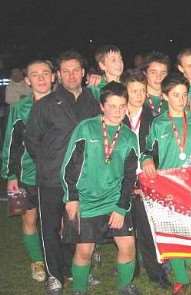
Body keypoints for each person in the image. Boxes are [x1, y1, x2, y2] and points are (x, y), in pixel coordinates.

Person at [25, 50, 100, 295]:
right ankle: (54, 275)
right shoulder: (45, 105)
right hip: (52, 178)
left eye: (76, 70)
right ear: (58, 74)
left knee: (77, 227)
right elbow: (32, 141)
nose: (71, 75)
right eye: (65, 70)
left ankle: (75, 270)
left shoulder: (93, 101)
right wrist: (49, 163)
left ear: (84, 73)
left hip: (83, 179)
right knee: (50, 228)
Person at [61, 82, 139, 295]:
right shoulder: (86, 128)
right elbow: (69, 165)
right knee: (85, 250)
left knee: (127, 246)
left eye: (122, 106)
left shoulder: (130, 137)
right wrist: (71, 197)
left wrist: (121, 207)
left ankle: (125, 286)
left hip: (114, 200)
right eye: (112, 106)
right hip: (86, 201)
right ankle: (79, 289)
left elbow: (130, 176)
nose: (117, 111)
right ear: (102, 106)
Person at [141, 74, 191, 295]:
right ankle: (181, 278)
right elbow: (147, 151)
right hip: (169, 188)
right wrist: (146, 160)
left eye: (184, 95)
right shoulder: (158, 123)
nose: (181, 99)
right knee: (175, 234)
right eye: (175, 95)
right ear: (165, 97)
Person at [1, 59, 55, 283]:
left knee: (59, 222)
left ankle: (58, 261)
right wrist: (10, 175)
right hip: (25, 176)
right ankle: (37, 261)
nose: (41, 78)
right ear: (27, 80)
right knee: (28, 218)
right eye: (35, 74)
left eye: (45, 73)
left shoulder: (65, 103)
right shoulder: (19, 108)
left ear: (54, 76)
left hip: (55, 176)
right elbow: (10, 143)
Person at [121, 70, 170, 289]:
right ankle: (129, 271)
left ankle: (156, 273)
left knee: (148, 229)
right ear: (125, 92)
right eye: (134, 91)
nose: (139, 95)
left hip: (146, 180)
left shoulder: (153, 118)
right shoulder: (116, 115)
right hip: (121, 180)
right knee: (125, 232)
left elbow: (157, 150)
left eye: (143, 90)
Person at [143, 51, 170, 117]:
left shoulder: (173, 99)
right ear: (145, 73)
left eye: (163, 73)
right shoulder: (137, 97)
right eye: (153, 72)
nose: (158, 77)